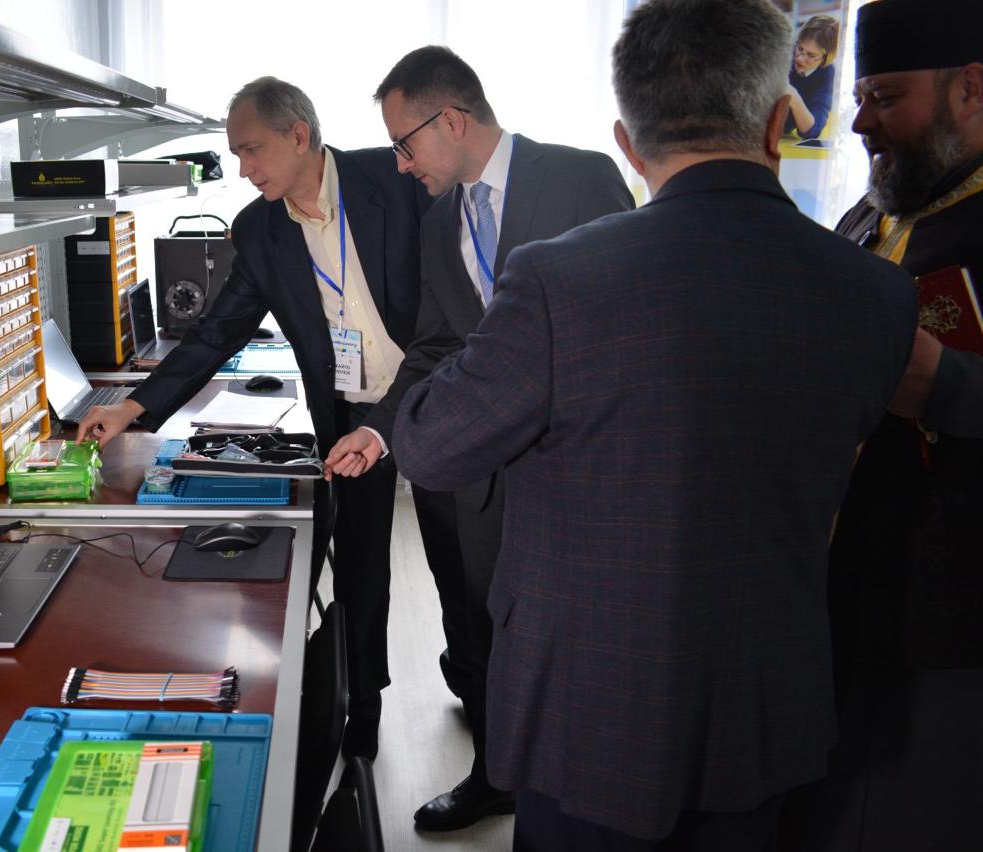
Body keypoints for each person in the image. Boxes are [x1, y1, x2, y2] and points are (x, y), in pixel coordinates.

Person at [389, 0, 919, 849]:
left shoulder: (558, 282)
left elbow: (427, 445)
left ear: (628, 145)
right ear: (779, 122)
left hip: (589, 713)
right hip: (764, 710)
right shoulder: (880, 293)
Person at [76, 76, 459, 762]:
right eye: (236, 154)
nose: (244, 169)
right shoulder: (259, 228)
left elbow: (456, 279)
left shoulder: (392, 179)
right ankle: (364, 704)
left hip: (434, 393)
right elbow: (218, 329)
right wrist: (134, 405)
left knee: (459, 559)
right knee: (362, 568)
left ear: (299, 136)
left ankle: (479, 697)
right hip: (349, 414)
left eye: (252, 150)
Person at [324, 45, 633, 832]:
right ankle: (496, 774)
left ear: (452, 120)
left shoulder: (582, 177)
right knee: (480, 623)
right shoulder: (438, 222)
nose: (401, 164)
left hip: (578, 469)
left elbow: (629, 317)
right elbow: (437, 345)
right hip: (478, 477)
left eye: (405, 144)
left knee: (577, 635)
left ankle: (582, 782)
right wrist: (380, 430)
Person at [778, 1, 983, 848]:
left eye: (885, 98)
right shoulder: (873, 213)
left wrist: (950, 385)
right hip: (844, 587)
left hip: (949, 621)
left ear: (971, 90)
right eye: (859, 98)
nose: (858, 122)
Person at [784, 15, 840, 140]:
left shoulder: (826, 74)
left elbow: (813, 130)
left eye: (811, 55)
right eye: (800, 48)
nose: (800, 58)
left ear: (825, 59)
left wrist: (793, 97)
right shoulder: (784, 51)